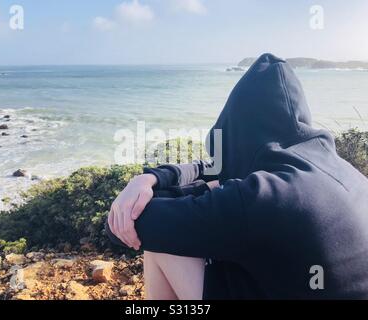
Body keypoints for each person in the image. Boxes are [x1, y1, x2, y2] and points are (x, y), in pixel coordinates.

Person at [106, 53, 368, 300]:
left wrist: (145, 193)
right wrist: (152, 179)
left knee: (165, 246)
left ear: (237, 131)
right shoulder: (344, 173)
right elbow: (215, 167)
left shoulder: (261, 196)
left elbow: (126, 226)